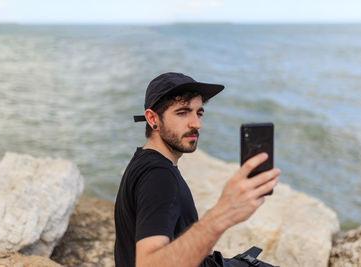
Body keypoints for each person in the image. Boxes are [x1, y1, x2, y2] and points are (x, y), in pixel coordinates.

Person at [114, 72, 281, 267]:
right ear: (153, 119)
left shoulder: (145, 162)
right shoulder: (158, 177)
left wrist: (200, 245)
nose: (196, 124)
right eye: (182, 112)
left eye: (199, 113)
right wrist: (223, 213)